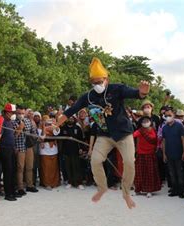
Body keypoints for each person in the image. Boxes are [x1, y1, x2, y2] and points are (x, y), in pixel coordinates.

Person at [56, 57, 150, 209]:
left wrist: (142, 93)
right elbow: (70, 111)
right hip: (104, 135)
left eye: (100, 82)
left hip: (123, 134)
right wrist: (55, 124)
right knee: (95, 160)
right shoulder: (87, 97)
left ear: (107, 79)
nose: (97, 85)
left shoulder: (117, 89)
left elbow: (134, 93)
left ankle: (126, 193)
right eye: (94, 82)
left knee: (129, 162)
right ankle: (102, 187)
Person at [13, 105, 39, 196]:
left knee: (29, 167)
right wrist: (20, 127)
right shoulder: (13, 122)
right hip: (19, 147)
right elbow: (14, 136)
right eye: (19, 113)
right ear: (16, 113)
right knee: (20, 168)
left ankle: (29, 185)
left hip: (28, 147)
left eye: (23, 113)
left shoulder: (28, 121)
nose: (21, 115)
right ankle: (20, 187)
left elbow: (34, 133)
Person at [162, 108, 184, 198]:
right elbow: (163, 141)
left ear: (174, 115)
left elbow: (183, 139)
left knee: (179, 172)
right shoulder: (164, 128)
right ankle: (174, 189)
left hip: (179, 153)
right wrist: (164, 154)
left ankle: (181, 191)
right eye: (166, 116)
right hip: (169, 154)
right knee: (171, 173)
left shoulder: (179, 126)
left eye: (169, 115)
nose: (168, 117)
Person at [133, 116, 160, 197]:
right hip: (141, 154)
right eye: (143, 121)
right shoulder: (140, 130)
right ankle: (137, 189)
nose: (145, 123)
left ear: (150, 122)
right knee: (139, 173)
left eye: (147, 121)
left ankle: (149, 190)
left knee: (150, 173)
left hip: (150, 154)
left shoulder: (153, 130)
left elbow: (154, 139)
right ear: (141, 123)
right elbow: (133, 135)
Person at [0, 103, 18, 201]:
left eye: (12, 112)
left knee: (13, 170)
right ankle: (8, 193)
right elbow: (0, 135)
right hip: (4, 148)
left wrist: (14, 147)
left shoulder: (10, 122)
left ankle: (12, 190)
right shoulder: (2, 121)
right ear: (6, 112)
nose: (11, 114)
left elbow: (11, 136)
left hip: (11, 148)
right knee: (8, 171)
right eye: (10, 112)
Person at [60, 116, 85, 189]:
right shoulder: (63, 128)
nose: (70, 119)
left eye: (72, 118)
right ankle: (70, 182)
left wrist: (81, 148)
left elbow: (81, 139)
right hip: (66, 151)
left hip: (76, 150)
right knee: (68, 167)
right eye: (69, 118)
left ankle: (79, 183)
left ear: (74, 119)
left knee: (77, 167)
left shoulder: (77, 128)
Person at [39, 116, 60, 189]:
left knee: (54, 168)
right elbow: (40, 137)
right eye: (45, 121)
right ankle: (46, 183)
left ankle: (55, 182)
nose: (47, 123)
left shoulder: (53, 127)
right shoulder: (40, 128)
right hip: (44, 150)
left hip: (53, 148)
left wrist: (55, 126)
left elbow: (57, 132)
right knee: (45, 168)